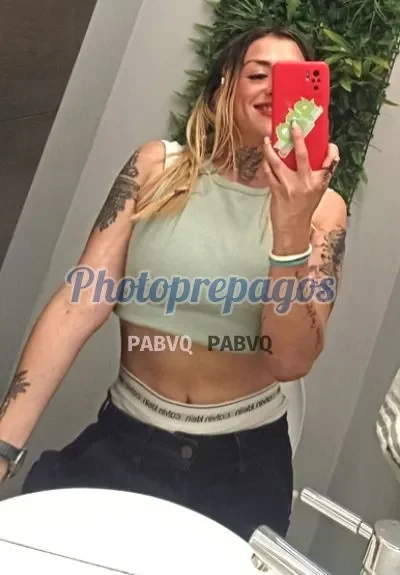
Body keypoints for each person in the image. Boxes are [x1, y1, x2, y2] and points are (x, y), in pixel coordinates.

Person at [0, 26, 347, 541]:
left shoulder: (324, 209)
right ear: (224, 86)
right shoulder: (155, 168)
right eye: (258, 74)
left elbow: (290, 360)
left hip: (243, 466)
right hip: (126, 438)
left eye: (294, 79)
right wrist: (3, 446)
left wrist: (292, 226)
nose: (275, 88)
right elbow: (78, 304)